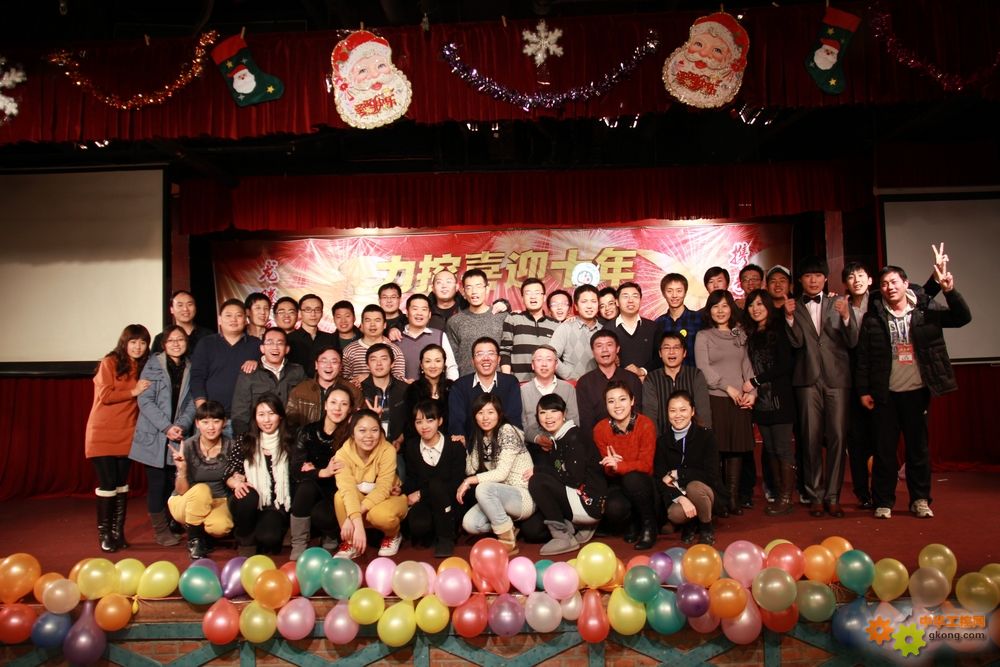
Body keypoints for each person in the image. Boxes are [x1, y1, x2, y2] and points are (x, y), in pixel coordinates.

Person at [856, 256, 971, 520]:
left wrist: (949, 290)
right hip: (885, 394)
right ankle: (883, 501)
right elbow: (863, 358)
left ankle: (920, 500)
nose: (889, 287)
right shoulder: (874, 317)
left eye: (894, 281)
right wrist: (863, 391)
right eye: (884, 284)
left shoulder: (925, 310)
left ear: (906, 283)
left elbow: (962, 318)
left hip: (917, 392)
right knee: (884, 452)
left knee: (918, 451)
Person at [784, 256, 858, 518]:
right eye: (808, 276)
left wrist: (847, 316)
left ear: (826, 279)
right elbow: (795, 343)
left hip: (837, 379)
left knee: (838, 437)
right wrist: (789, 317)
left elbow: (852, 340)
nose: (813, 280)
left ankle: (833, 496)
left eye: (817, 275)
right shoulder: (794, 306)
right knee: (810, 438)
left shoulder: (839, 303)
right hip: (807, 380)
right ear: (800, 280)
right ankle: (815, 495)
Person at [85, 324, 152, 552]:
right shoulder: (110, 362)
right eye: (133, 342)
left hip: (128, 431)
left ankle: (118, 532)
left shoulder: (144, 366)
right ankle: (104, 534)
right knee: (108, 484)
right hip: (102, 431)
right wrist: (134, 391)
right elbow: (105, 395)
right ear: (124, 343)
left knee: (122, 484)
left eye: (142, 342)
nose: (138, 347)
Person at [130, 325, 196, 547]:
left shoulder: (191, 366)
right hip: (155, 434)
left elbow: (192, 402)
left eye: (180, 340)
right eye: (171, 340)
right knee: (157, 484)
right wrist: (166, 427)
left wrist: (181, 425)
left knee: (172, 482)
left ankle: (171, 522)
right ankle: (160, 530)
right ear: (163, 344)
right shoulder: (152, 365)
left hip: (179, 433)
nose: (176, 344)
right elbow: (145, 401)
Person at [695, 289, 756, 516]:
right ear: (709, 310)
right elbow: (703, 367)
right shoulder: (704, 336)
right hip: (716, 398)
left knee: (737, 450)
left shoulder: (740, 334)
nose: (720, 311)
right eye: (715, 306)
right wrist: (726, 387)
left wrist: (753, 392)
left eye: (724, 306)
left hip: (740, 399)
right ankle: (719, 498)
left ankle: (732, 498)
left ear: (731, 308)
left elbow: (746, 365)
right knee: (717, 451)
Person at [528, 394, 606, 555]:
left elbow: (573, 479)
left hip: (588, 502)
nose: (548, 417)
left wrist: (539, 470)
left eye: (553, 411)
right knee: (532, 528)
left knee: (537, 481)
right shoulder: (558, 439)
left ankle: (563, 537)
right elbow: (561, 473)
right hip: (576, 496)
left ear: (564, 414)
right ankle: (581, 526)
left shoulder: (574, 436)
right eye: (543, 412)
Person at [457, 393, 535, 555]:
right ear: (475, 416)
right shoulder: (482, 436)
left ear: (499, 414)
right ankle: (509, 527)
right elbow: (471, 469)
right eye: (480, 413)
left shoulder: (507, 431)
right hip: (498, 498)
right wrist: (464, 448)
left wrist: (468, 481)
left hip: (522, 496)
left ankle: (508, 542)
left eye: (490, 412)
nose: (485, 417)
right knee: (470, 524)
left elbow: (501, 474)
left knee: (482, 488)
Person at [742, 289, 796, 516]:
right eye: (751, 305)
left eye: (760, 304)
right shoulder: (751, 333)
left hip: (780, 397)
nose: (755, 309)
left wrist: (755, 381)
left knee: (783, 448)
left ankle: (786, 498)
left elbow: (785, 365)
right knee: (770, 449)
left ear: (768, 305)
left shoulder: (779, 329)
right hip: (761, 401)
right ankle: (777, 492)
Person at [332, 409, 409, 559]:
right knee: (340, 497)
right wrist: (357, 523)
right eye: (362, 430)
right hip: (362, 499)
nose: (369, 436)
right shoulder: (342, 454)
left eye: (374, 430)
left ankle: (393, 536)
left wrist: (352, 518)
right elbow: (347, 490)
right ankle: (351, 542)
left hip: (389, 498)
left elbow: (383, 489)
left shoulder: (387, 450)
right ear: (352, 433)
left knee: (379, 515)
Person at [289, 387, 354, 559]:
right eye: (333, 402)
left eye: (343, 404)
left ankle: (330, 535)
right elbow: (296, 471)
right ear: (325, 405)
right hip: (313, 487)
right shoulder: (308, 432)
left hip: (337, 491)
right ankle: (299, 543)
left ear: (349, 409)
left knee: (323, 514)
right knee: (306, 487)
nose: (337, 408)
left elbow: (348, 470)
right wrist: (322, 472)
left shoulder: (351, 436)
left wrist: (315, 468)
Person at [225, 393, 294, 556]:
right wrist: (236, 481)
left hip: (274, 505)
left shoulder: (290, 441)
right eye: (261, 414)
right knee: (247, 494)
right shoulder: (245, 440)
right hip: (247, 503)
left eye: (271, 414)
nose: (266, 420)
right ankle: (245, 539)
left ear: (280, 416)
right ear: (255, 418)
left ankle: (267, 531)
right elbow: (229, 471)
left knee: (269, 539)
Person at [593, 381, 659, 550]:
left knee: (632, 479)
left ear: (632, 401)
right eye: (611, 401)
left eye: (622, 399)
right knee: (613, 508)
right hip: (617, 483)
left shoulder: (645, 424)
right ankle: (632, 521)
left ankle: (649, 526)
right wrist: (611, 466)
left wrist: (620, 465)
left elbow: (646, 465)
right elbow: (607, 468)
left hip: (644, 484)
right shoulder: (600, 429)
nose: (617, 405)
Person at [167, 400, 234, 559]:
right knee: (202, 490)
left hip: (218, 500)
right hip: (185, 501)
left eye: (216, 421)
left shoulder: (231, 446)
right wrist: (182, 470)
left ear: (224, 422)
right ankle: (194, 540)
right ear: (197, 424)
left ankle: (201, 532)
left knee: (221, 526)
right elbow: (181, 491)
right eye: (205, 422)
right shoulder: (188, 446)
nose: (211, 427)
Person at [654, 391, 721, 545]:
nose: (678, 415)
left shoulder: (706, 436)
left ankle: (706, 527)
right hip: (679, 493)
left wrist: (679, 474)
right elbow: (660, 479)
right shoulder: (662, 442)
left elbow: (711, 475)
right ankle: (691, 523)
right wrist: (681, 498)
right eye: (672, 410)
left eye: (683, 410)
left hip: (704, 491)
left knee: (694, 487)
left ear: (692, 411)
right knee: (674, 514)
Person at [403, 400, 466, 557]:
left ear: (440, 421)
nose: (424, 426)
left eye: (430, 420)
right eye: (419, 422)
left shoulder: (455, 446)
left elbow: (456, 483)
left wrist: (421, 493)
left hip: (450, 502)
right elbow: (412, 479)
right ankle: (436, 528)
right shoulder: (411, 447)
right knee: (418, 527)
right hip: (426, 502)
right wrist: (402, 489)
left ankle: (446, 538)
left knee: (437, 484)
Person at [189, 299, 261, 432]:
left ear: (246, 320)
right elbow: (197, 377)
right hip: (212, 419)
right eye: (228, 315)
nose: (233, 319)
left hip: (246, 420)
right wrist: (204, 412)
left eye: (238, 315)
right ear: (219, 319)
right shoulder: (206, 344)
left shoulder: (256, 345)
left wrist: (259, 363)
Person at [230, 328, 306, 436]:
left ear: (287, 349)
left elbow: (307, 406)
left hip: (290, 435)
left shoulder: (297, 372)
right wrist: (246, 439)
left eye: (280, 343)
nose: (275, 347)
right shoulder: (249, 373)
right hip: (257, 436)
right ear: (262, 348)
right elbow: (239, 413)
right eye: (270, 342)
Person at [843, 261, 876, 509]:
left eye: (861, 275)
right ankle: (862, 492)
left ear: (870, 280)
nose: (857, 280)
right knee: (856, 440)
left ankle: (881, 490)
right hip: (850, 382)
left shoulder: (879, 303)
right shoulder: (839, 306)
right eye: (852, 277)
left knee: (880, 439)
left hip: (878, 379)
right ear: (846, 283)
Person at [449, 337, 523, 444]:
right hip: (470, 445)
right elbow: (457, 422)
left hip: (505, 445)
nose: (486, 358)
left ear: (498, 359)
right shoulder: (460, 386)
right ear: (473, 361)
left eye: (491, 353)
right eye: (479, 354)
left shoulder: (510, 383)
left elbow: (513, 419)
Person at [575, 330, 643, 440]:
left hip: (631, 439)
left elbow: (638, 414)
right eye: (599, 346)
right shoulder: (584, 383)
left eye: (609, 345)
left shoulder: (632, 379)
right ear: (593, 351)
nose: (604, 350)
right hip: (597, 442)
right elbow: (586, 423)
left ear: (617, 349)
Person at [642, 331, 712, 437]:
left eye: (676, 347)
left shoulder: (695, 375)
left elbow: (703, 412)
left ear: (684, 353)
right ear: (660, 353)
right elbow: (650, 415)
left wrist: (702, 439)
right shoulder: (652, 378)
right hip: (662, 439)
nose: (671, 352)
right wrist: (657, 442)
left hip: (693, 439)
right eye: (666, 348)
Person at [520, 345, 580, 460]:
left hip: (566, 445)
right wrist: (537, 438)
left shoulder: (568, 388)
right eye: (539, 360)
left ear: (556, 364)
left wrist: (557, 439)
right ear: (532, 365)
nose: (544, 364)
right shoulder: (522, 391)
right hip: (533, 447)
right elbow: (521, 425)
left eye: (549, 360)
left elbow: (574, 421)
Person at [286, 344, 361, 432]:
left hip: (341, 439)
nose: (328, 366)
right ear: (316, 365)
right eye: (324, 361)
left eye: (334, 362)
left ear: (341, 366)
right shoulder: (300, 390)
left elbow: (360, 423)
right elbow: (290, 424)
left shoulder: (353, 391)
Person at [447, 269, 508, 376]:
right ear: (463, 291)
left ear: (487, 288)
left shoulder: (502, 317)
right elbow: (452, 358)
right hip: (466, 380)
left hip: (498, 380)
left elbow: (507, 351)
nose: (474, 291)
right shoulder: (454, 321)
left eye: (478, 286)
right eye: (469, 287)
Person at [500, 278, 559, 381]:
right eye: (528, 293)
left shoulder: (555, 325)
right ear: (522, 298)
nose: (533, 297)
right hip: (518, 383)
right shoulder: (513, 319)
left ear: (544, 297)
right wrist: (507, 380)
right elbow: (505, 352)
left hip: (547, 383)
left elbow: (558, 357)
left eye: (537, 293)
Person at [603, 282, 658, 382]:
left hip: (648, 384)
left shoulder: (653, 327)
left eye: (635, 296)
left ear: (640, 300)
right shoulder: (607, 329)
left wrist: (642, 371)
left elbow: (660, 357)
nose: (630, 300)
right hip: (617, 385)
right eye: (625, 296)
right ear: (617, 302)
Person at [397, 293, 459, 382]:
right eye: (415, 309)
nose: (419, 313)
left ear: (429, 314)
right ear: (407, 313)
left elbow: (451, 367)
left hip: (435, 390)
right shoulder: (396, 337)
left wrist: (451, 386)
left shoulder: (440, 336)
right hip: (403, 390)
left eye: (424, 309)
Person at [360, 343, 408, 448]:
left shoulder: (405, 389)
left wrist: (400, 440)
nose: (379, 364)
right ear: (367, 365)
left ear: (392, 363)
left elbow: (411, 421)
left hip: (398, 448)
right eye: (373, 359)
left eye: (384, 358)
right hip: (367, 448)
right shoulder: (360, 390)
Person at [341, 305, 407, 382]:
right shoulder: (349, 350)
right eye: (368, 320)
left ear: (384, 325)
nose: (372, 324)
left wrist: (369, 379)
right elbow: (342, 380)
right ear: (362, 325)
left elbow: (400, 381)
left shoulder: (394, 350)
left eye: (377, 320)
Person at [551, 284, 602, 380]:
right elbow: (551, 355)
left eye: (593, 301)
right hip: (572, 384)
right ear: (576, 306)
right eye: (584, 302)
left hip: (601, 384)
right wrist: (570, 377)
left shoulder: (604, 330)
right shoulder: (565, 328)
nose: (589, 306)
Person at [405, 343, 454, 438]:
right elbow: (409, 423)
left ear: (444, 364)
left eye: (438, 361)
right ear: (421, 365)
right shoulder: (413, 389)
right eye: (428, 361)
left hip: (449, 441)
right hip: (419, 441)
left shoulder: (453, 388)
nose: (433, 365)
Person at [655, 273, 702, 366]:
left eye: (679, 291)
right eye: (669, 291)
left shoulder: (698, 319)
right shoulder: (658, 323)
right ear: (663, 294)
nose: (674, 295)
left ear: (685, 292)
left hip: (693, 373)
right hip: (665, 374)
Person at [287, 294, 338, 377]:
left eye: (317, 310)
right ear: (300, 312)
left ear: (322, 313)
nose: (313, 314)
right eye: (308, 310)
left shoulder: (331, 339)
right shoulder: (289, 339)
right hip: (296, 383)